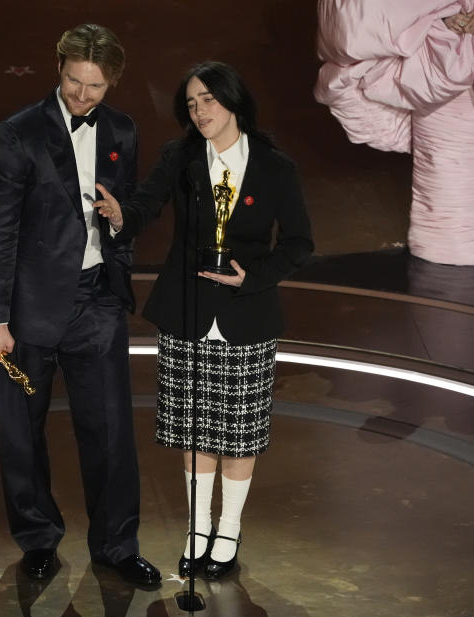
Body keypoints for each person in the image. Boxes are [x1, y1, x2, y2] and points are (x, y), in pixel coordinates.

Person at [93, 61, 314, 579]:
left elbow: (301, 243)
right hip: (187, 311)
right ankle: (197, 529)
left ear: (233, 101)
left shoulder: (275, 166)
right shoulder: (181, 156)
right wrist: (124, 214)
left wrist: (252, 276)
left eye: (208, 100)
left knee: (236, 434)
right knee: (195, 431)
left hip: (247, 313)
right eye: (191, 104)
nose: (199, 111)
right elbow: (146, 203)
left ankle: (228, 532)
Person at [0, 23, 160, 586]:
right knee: (22, 432)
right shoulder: (17, 134)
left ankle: (116, 546)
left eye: (96, 88)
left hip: (97, 301)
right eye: (75, 82)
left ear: (112, 84)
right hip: (28, 309)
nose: (82, 96)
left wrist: (121, 219)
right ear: (58, 68)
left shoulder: (122, 131)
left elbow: (126, 213)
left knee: (109, 433)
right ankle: (37, 539)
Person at [314, 1, 474, 266]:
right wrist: (441, 16)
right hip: (439, 60)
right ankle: (452, 246)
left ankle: (460, 246)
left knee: (460, 169)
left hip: (464, 66)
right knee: (442, 164)